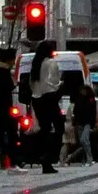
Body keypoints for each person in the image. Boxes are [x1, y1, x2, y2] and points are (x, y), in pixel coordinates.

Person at [26, 38, 66, 172]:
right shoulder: (51, 63)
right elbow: (53, 82)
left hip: (37, 99)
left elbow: (32, 84)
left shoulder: (35, 64)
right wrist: (60, 84)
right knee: (59, 127)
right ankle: (48, 156)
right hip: (49, 97)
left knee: (45, 127)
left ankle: (43, 155)